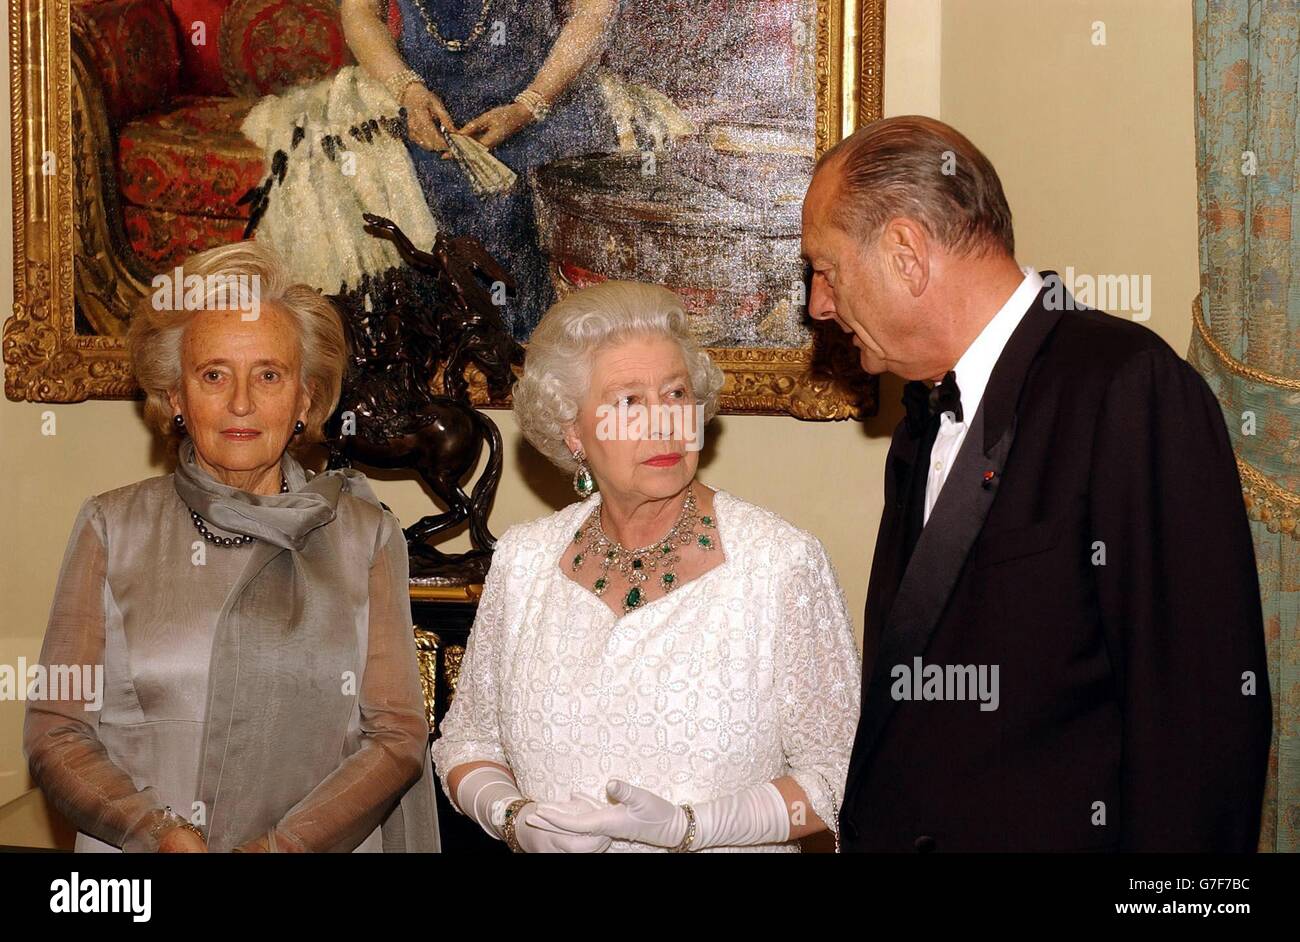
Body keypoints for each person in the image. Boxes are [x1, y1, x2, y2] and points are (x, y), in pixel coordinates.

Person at [803, 115, 1272, 852]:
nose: (818, 305)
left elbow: (1201, 722)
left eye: (824, 268)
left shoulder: (1127, 388)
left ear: (905, 253)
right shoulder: (920, 418)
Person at [23, 241, 439, 852]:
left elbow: (398, 734)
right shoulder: (112, 526)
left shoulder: (364, 534)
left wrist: (284, 847)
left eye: (268, 375)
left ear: (304, 398)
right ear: (174, 398)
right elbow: (58, 730)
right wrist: (156, 831)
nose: (241, 403)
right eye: (213, 374)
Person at [429, 280, 860, 852]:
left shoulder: (778, 565)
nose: (665, 424)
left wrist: (692, 828)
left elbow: (838, 777)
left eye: (677, 394)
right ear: (573, 431)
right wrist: (514, 818)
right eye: (629, 401)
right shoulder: (523, 560)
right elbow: (466, 741)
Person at [340, 0, 620, 339]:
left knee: (521, 204)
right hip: (422, 106)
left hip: (542, 97)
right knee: (408, 208)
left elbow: (594, 11)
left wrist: (529, 105)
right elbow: (361, 11)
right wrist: (408, 91)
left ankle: (533, 347)